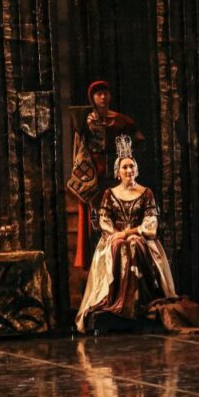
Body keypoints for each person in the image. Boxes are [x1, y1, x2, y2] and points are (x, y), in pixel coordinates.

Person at [75, 136, 199, 333]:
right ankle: (117, 301)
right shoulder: (109, 194)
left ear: (137, 170)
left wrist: (131, 233)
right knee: (119, 246)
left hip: (141, 237)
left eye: (131, 167)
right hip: (114, 238)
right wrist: (117, 235)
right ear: (118, 172)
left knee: (135, 245)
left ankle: (139, 301)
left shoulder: (146, 193)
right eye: (124, 167)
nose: (129, 170)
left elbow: (150, 222)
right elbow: (104, 220)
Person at [66, 80, 144, 269]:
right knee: (95, 218)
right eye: (98, 94)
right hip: (94, 176)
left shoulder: (120, 120)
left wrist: (126, 154)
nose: (102, 97)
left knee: (118, 213)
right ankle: (97, 258)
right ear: (92, 98)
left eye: (105, 93)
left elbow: (139, 138)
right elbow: (78, 147)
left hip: (115, 175)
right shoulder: (85, 121)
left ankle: (118, 256)